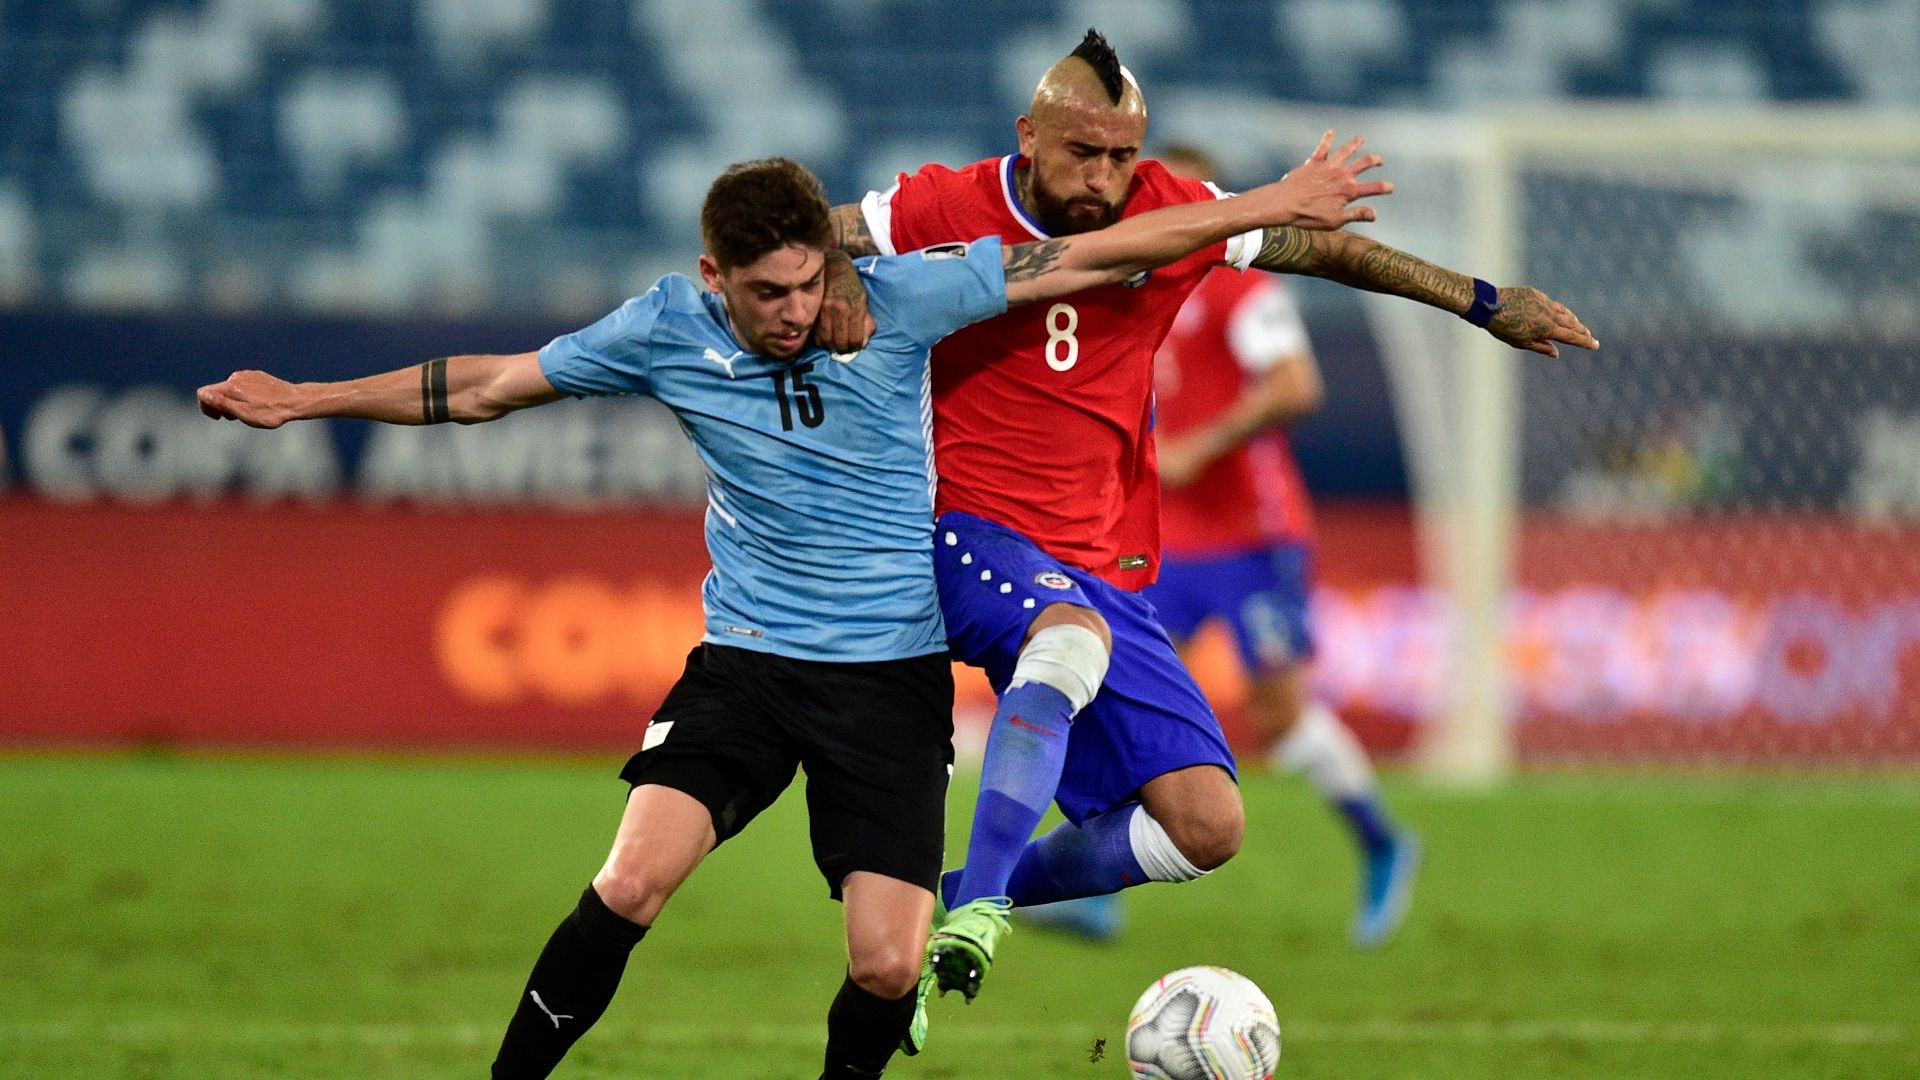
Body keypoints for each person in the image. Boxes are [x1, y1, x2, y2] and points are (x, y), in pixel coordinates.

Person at [196, 151, 1388, 1079]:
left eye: (813, 280)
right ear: (715, 278)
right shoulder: (662, 329)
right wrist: (306, 399)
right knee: (629, 882)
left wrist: (1265, 204)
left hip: (890, 677)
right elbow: (489, 386)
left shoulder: (903, 299)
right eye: (767, 293)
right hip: (747, 666)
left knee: (885, 962)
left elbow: (1092, 257)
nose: (796, 310)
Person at [815, 28, 1594, 1003]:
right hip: (968, 534)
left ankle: (967, 893)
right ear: (1029, 135)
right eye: (1081, 153)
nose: (1104, 177)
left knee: (1206, 825)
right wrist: (793, 258)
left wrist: (1481, 301)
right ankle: (976, 919)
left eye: (1123, 157)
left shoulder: (1173, 212)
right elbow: (817, 225)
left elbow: (1326, 248)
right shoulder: (942, 204)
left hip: (1106, 559)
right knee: (1065, 638)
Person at [1024, 143, 1421, 948]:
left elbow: (1296, 386)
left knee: (1280, 719)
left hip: (1251, 537)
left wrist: (1201, 448)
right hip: (1161, 537)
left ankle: (1382, 842)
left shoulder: (1241, 284)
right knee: (1106, 693)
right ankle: (1101, 891)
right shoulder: (1124, 281)